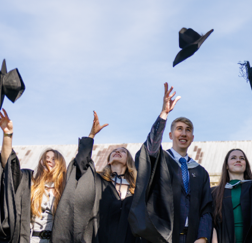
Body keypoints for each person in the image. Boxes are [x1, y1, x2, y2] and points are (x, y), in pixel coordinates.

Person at [129, 83, 213, 243]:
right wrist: (164, 115)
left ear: (192, 137)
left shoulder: (200, 172)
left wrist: (202, 237)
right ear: (170, 134)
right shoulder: (160, 161)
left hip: (191, 237)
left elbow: (206, 208)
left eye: (188, 130)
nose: (184, 133)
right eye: (179, 128)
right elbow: (150, 148)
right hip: (161, 236)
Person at [52, 111, 140, 243]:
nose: (117, 151)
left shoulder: (135, 188)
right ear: (108, 160)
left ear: (129, 161)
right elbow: (81, 165)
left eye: (123, 151)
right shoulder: (98, 182)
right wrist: (91, 136)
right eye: (114, 151)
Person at [0, 109, 67, 243]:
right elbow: (8, 165)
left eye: (53, 159)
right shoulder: (29, 182)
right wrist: (8, 135)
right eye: (46, 158)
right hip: (31, 239)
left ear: (60, 164)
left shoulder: (66, 188)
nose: (49, 160)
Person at [211, 128, 252, 243]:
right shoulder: (215, 192)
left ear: (246, 165)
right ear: (227, 166)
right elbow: (212, 221)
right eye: (233, 158)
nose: (238, 160)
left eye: (242, 158)